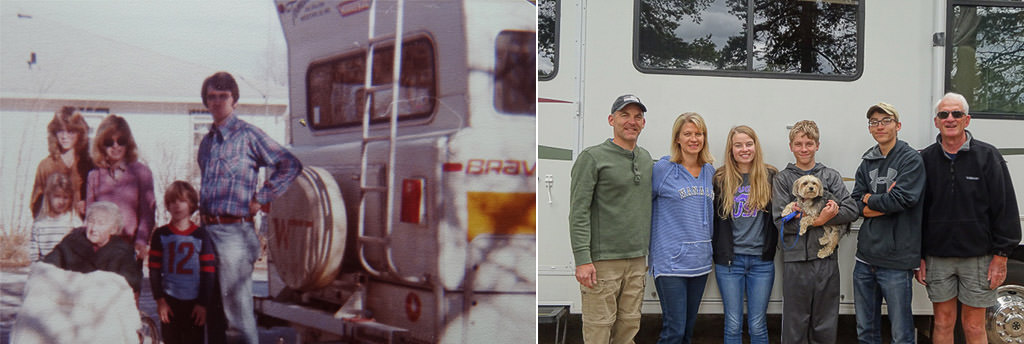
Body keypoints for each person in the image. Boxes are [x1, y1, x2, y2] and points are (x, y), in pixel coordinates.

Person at [197, 71, 302, 343]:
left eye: (224, 96)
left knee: (238, 318)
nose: (217, 102)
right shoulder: (207, 142)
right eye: (212, 97)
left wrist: (262, 198)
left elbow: (289, 163)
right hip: (207, 232)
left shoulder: (247, 135)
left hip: (234, 234)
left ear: (235, 100)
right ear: (206, 102)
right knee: (214, 313)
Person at [917, 92, 1021, 344]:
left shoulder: (988, 156)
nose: (950, 119)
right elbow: (918, 212)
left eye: (956, 114)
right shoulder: (925, 159)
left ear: (967, 119)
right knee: (942, 323)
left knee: (974, 327)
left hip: (979, 258)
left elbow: (1004, 207)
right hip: (937, 258)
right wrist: (918, 256)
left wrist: (1001, 255)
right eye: (944, 114)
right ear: (936, 122)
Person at [569, 94, 652, 344]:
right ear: (611, 119)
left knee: (629, 328)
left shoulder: (646, 158)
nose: (631, 121)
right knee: (599, 330)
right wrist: (583, 259)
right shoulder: (592, 157)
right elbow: (578, 211)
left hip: (637, 260)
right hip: (602, 263)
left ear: (643, 123)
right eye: (624, 115)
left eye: (637, 116)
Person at [772, 120, 858, 344]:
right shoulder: (782, 179)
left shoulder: (830, 176)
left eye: (809, 143)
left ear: (817, 145)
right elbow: (779, 221)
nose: (803, 148)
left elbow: (851, 209)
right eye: (799, 143)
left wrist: (828, 218)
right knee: (795, 322)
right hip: (795, 261)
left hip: (826, 260)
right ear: (791, 146)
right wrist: (819, 220)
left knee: (825, 321)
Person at [850, 102, 925, 344]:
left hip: (896, 261)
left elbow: (903, 199)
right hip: (865, 259)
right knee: (865, 331)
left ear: (898, 125)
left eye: (885, 120)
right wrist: (883, 204)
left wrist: (871, 198)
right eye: (874, 122)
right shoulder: (867, 162)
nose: (879, 126)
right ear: (870, 129)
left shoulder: (910, 159)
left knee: (901, 333)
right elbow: (854, 204)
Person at [650, 113, 715, 344]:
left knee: (688, 331)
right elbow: (642, 206)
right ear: (677, 138)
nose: (694, 139)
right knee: (673, 331)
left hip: (700, 262)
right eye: (687, 134)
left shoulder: (710, 171)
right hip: (670, 263)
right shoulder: (663, 169)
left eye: (699, 133)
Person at [712, 125, 778, 344]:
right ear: (731, 149)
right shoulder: (721, 178)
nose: (744, 149)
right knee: (732, 323)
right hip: (730, 263)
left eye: (748, 144)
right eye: (738, 145)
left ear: (755, 146)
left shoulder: (770, 176)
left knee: (758, 324)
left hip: (761, 262)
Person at [149, 181, 217, 344]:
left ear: (192, 204)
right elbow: (154, 270)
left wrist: (203, 303)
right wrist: (160, 300)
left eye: (182, 201)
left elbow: (208, 272)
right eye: (172, 202)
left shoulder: (201, 235)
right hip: (170, 300)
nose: (177, 206)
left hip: (194, 301)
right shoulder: (160, 234)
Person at [86, 114, 156, 258]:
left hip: (130, 247)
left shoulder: (141, 173)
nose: (115, 146)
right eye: (109, 142)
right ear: (101, 144)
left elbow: (147, 213)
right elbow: (89, 214)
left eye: (121, 141)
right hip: (100, 249)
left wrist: (141, 242)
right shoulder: (94, 176)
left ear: (128, 143)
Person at [43, 201, 142, 294]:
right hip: (72, 300)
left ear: (113, 229)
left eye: (101, 223)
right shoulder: (71, 242)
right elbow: (47, 265)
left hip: (106, 304)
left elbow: (133, 281)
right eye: (91, 221)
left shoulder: (123, 251)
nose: (93, 228)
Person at [31, 106, 94, 219]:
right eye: (60, 131)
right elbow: (36, 204)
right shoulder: (46, 165)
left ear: (80, 133)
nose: (64, 136)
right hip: (54, 228)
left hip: (82, 228)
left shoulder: (89, 165)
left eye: (70, 131)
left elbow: (99, 200)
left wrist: (87, 204)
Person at [29, 173, 83, 262]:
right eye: (57, 196)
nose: (61, 202)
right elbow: (34, 253)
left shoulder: (74, 222)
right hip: (45, 270)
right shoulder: (40, 223)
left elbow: (79, 250)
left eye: (65, 197)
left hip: (67, 270)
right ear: (48, 196)